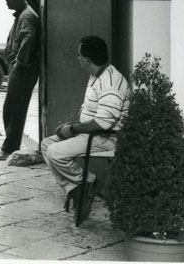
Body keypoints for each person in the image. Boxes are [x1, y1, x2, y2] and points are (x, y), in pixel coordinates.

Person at [41, 35, 130, 221]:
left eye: (79, 55)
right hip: (91, 134)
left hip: (106, 138)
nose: (77, 58)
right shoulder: (96, 75)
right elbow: (85, 111)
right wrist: (69, 124)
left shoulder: (110, 83)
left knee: (55, 153)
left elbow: (102, 124)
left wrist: (73, 130)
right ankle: (77, 189)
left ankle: (87, 183)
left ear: (88, 60)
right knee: (46, 144)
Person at [0, 0, 40, 161]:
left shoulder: (26, 16)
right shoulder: (22, 14)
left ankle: (9, 148)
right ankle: (10, 146)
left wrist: (19, 62)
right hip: (20, 69)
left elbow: (28, 37)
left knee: (14, 109)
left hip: (24, 70)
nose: (7, 0)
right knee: (12, 108)